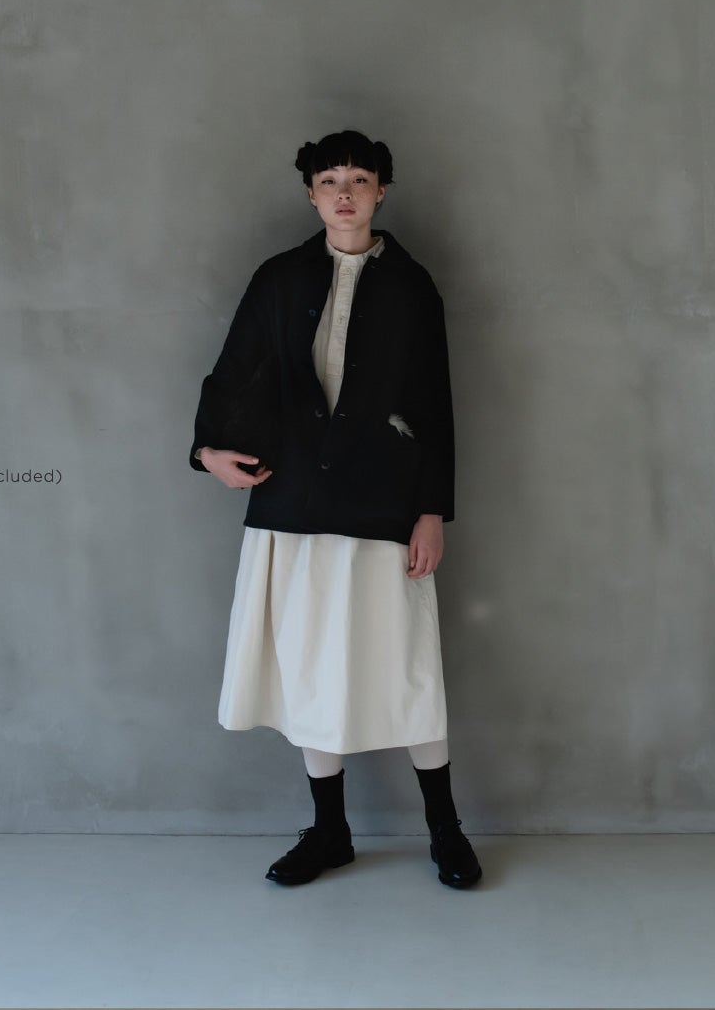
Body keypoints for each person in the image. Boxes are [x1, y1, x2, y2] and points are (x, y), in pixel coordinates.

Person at [189, 129, 482, 889]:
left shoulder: (412, 287)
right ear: (311, 194)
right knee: (308, 666)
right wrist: (206, 448)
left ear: (382, 189)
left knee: (407, 666)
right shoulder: (280, 278)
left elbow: (435, 404)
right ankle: (329, 831)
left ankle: (445, 828)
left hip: (383, 501)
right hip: (293, 499)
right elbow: (233, 370)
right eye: (328, 180)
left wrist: (431, 511)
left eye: (358, 179)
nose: (343, 193)